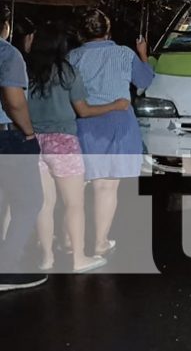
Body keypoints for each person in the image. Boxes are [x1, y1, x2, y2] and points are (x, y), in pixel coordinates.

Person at [26, 24, 131, 272]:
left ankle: (47, 258)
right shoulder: (66, 71)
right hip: (63, 142)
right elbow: (83, 110)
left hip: (34, 141)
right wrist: (115, 106)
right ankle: (79, 258)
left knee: (45, 204)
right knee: (74, 203)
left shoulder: (27, 72)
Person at [68, 10, 154, 257]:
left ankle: (71, 239)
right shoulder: (125, 54)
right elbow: (144, 81)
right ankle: (99, 242)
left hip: (85, 122)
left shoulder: (73, 57)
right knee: (107, 187)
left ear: (82, 32)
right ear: (108, 31)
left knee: (83, 184)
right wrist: (143, 55)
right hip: (119, 122)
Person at [0, 11, 46, 291]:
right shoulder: (9, 54)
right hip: (8, 137)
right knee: (30, 201)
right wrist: (29, 132)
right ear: (5, 26)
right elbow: (13, 99)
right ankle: (6, 268)